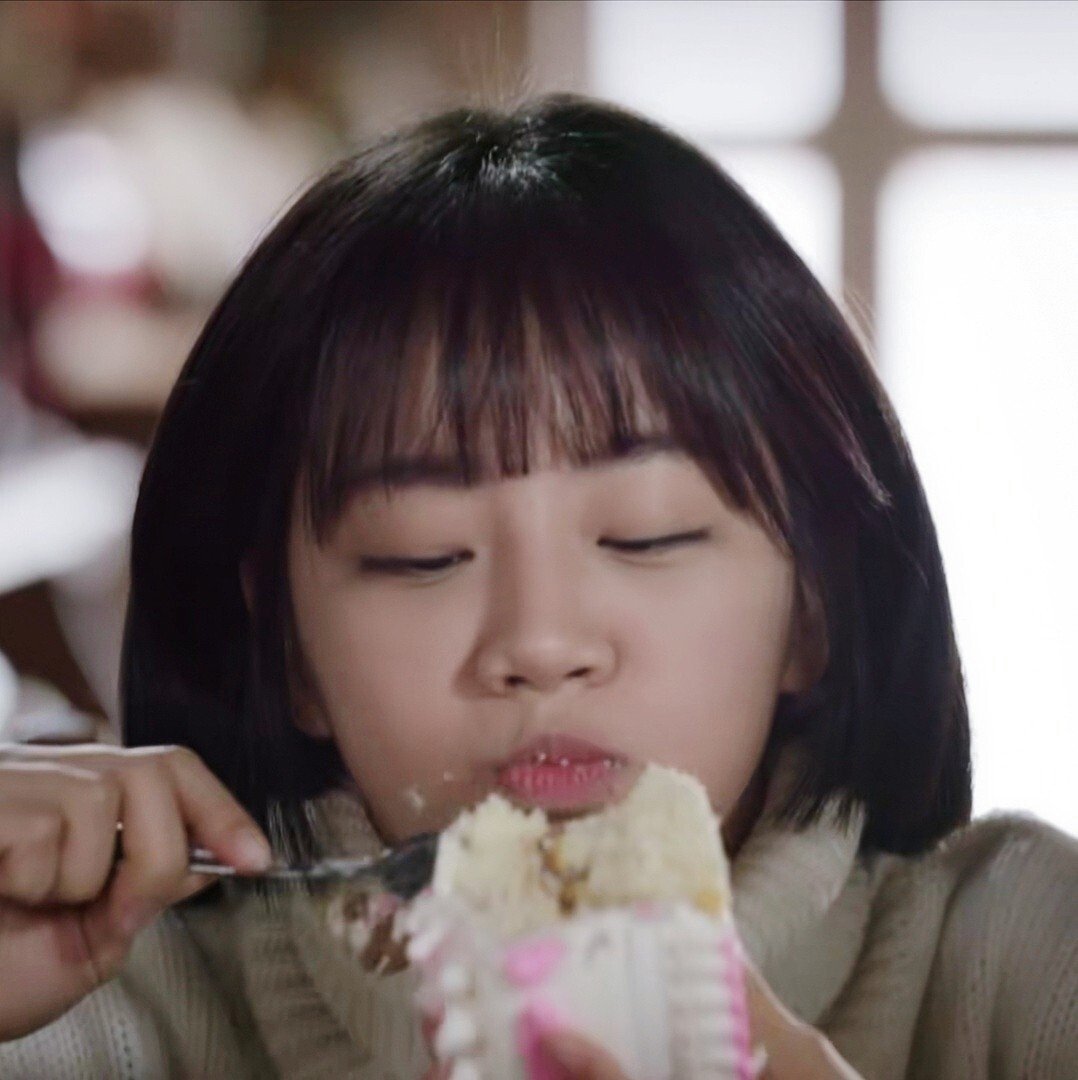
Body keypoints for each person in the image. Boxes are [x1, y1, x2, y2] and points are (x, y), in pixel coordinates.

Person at [0, 94, 1074, 1079]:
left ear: (815, 611)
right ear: (289, 654)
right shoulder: (110, 1000)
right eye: (423, 555)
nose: (540, 641)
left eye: (647, 536)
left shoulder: (1020, 959)